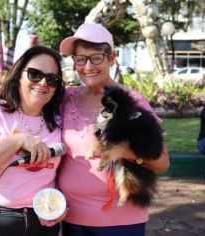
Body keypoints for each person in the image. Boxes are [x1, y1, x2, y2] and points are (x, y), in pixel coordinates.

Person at [57, 23, 170, 236]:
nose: (88, 66)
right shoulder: (65, 99)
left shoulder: (132, 101)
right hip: (70, 218)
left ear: (111, 57)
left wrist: (122, 151)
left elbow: (162, 161)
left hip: (119, 223)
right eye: (80, 59)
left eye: (96, 58)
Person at [0, 46, 65, 236]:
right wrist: (17, 141)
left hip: (43, 222)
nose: (43, 82)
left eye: (52, 79)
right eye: (35, 74)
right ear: (19, 74)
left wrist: (61, 203)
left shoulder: (59, 121)